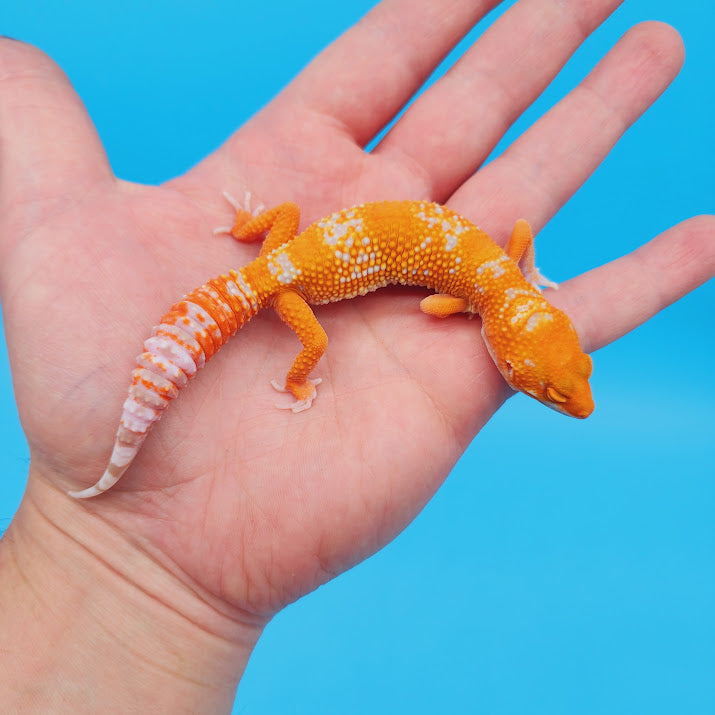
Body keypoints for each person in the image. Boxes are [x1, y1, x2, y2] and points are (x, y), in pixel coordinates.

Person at [0, 0, 712, 710]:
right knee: (315, 341)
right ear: (510, 349)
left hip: (281, 250)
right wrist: (311, 378)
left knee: (281, 241)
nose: (569, 399)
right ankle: (286, 386)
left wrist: (509, 285)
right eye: (553, 391)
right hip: (288, 290)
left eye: (561, 384)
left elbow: (508, 243)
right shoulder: (477, 295)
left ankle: (242, 241)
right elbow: (438, 300)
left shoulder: (496, 272)